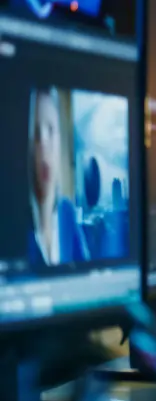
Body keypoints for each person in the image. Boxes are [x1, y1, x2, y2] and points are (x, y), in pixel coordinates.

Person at [27, 88, 89, 267]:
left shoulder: (66, 212)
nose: (44, 146)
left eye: (51, 130)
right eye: (37, 133)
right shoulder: (16, 224)